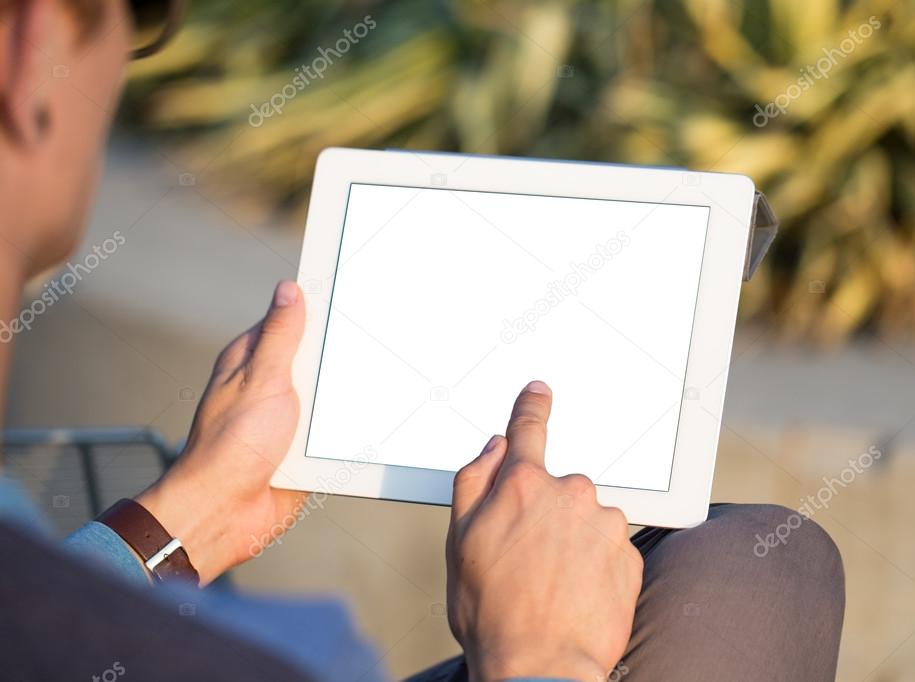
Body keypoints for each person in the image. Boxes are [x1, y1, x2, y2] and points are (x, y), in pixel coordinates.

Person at [0, 1, 845, 680]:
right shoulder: (290, 656)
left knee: (762, 559)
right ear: (32, 54)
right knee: (760, 576)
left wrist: (193, 514)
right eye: (135, 23)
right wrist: (544, 659)